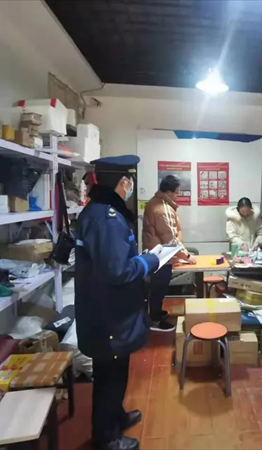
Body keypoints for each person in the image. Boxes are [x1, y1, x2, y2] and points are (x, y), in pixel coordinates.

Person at [74, 155, 160, 450]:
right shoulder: (107, 219)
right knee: (110, 377)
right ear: (122, 182)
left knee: (114, 372)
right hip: (109, 314)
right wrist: (150, 261)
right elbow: (117, 271)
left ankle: (116, 417)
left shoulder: (98, 211)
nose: (130, 187)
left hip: (105, 310)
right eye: (129, 182)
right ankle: (107, 437)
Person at [143, 174, 195, 332]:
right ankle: (155, 321)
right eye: (177, 192)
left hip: (156, 255)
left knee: (157, 289)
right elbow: (170, 238)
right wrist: (186, 256)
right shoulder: (162, 208)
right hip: (161, 257)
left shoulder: (156, 202)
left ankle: (155, 315)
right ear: (169, 191)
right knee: (158, 289)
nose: (177, 195)